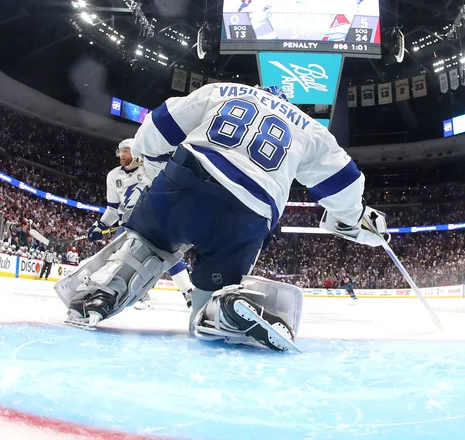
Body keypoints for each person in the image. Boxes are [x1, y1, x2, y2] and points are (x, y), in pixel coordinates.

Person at [55, 83, 389, 352]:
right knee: (204, 306)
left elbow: (156, 127)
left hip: (184, 181)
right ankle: (222, 308)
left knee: (146, 245)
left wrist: (158, 170)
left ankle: (104, 292)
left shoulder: (223, 89)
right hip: (249, 211)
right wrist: (355, 217)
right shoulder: (310, 129)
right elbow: (342, 182)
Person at [86, 138, 194, 309]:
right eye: (120, 150)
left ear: (137, 152)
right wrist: (101, 225)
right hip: (128, 224)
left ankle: (188, 291)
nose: (121, 154)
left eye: (126, 150)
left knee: (167, 255)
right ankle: (138, 294)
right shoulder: (113, 176)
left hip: (153, 220)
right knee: (117, 258)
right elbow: (113, 209)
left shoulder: (152, 169)